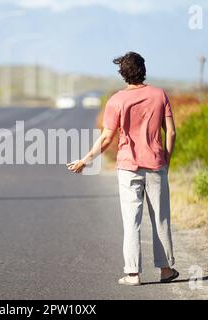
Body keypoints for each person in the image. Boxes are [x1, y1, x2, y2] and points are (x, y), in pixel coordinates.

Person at [66, 52, 179, 286]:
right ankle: (166, 270)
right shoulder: (159, 95)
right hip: (156, 165)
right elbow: (172, 132)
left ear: (123, 74)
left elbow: (108, 137)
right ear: (143, 69)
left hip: (128, 167)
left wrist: (85, 159)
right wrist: (166, 159)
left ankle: (132, 274)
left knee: (131, 221)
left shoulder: (116, 100)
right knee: (161, 218)